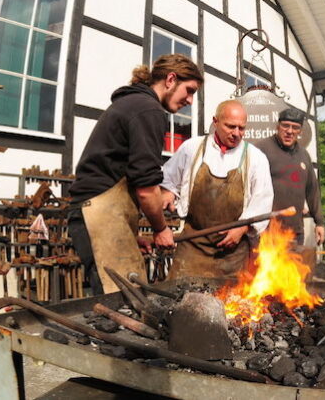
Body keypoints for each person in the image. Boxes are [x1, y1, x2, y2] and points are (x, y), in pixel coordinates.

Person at [68, 54, 203, 294]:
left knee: (128, 298)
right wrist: (161, 229)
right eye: (189, 90)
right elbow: (146, 188)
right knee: (123, 302)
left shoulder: (134, 104)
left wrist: (130, 234)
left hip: (99, 212)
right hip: (97, 213)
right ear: (171, 79)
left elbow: (125, 173)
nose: (191, 101)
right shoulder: (148, 110)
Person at [161, 100, 274, 278]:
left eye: (241, 128)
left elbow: (262, 200)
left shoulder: (255, 158)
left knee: (234, 303)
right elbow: (168, 178)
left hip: (233, 251)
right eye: (230, 126)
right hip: (193, 245)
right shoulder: (192, 148)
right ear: (215, 122)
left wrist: (243, 228)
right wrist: (168, 191)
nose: (237, 133)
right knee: (180, 298)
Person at [255, 108, 325, 246]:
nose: (290, 131)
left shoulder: (304, 155)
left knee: (294, 268)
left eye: (295, 127)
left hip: (295, 232)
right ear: (277, 126)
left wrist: (320, 222)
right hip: (267, 231)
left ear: (300, 131)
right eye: (285, 125)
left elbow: (312, 191)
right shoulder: (261, 149)